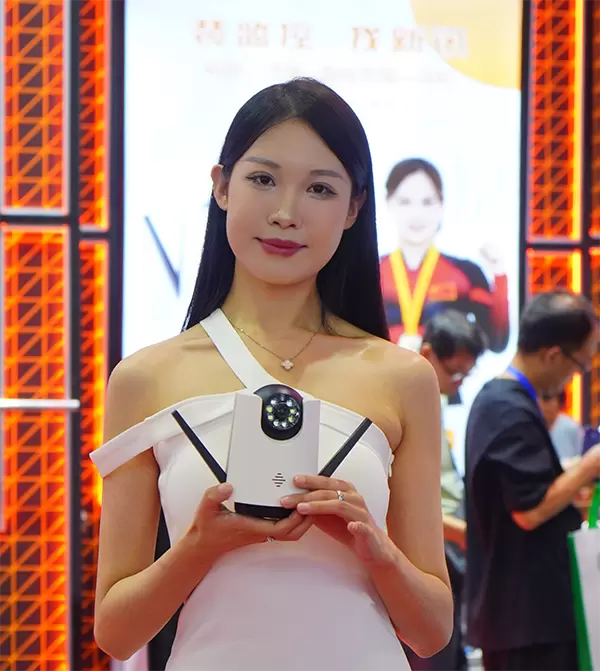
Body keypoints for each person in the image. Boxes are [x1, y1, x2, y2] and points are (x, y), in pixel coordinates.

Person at [90, 78, 453, 670]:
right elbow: (116, 632)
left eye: (319, 188)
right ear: (221, 185)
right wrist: (200, 546)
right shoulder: (145, 378)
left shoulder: (403, 378)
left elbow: (433, 631)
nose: (286, 213)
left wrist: (375, 547)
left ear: (354, 208)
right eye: (263, 179)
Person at [464, 290, 600, 671]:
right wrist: (589, 465)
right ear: (553, 355)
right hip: (526, 619)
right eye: (579, 365)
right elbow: (529, 510)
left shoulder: (505, 401)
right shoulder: (506, 407)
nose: (574, 377)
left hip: (526, 617)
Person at [402, 310, 486, 671]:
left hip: (448, 547)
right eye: (454, 372)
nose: (459, 383)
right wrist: (463, 533)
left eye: (466, 374)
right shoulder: (400, 400)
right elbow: (405, 500)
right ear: (426, 354)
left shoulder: (430, 399)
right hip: (425, 552)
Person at [379, 158, 509, 354]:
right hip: (384, 373)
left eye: (427, 202)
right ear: (388, 204)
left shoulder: (468, 274)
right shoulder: (368, 274)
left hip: (445, 374)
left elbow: (497, 342)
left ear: (442, 205)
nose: (417, 214)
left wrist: (499, 276)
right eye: (405, 202)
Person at [538, 390, 583, 463]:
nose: (541, 404)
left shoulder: (571, 427)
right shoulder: (533, 426)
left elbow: (578, 458)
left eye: (547, 399)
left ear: (559, 402)